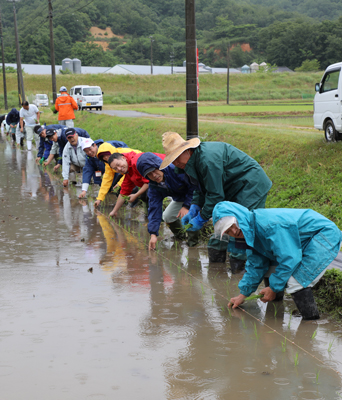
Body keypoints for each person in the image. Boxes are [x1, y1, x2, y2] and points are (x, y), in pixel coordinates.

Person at [159, 132, 272, 269]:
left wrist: (201, 217)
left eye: (177, 157)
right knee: (223, 228)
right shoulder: (190, 162)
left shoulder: (207, 160)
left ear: (187, 150)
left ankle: (244, 270)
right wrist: (195, 205)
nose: (176, 163)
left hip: (250, 184)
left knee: (241, 227)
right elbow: (200, 187)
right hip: (231, 187)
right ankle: (218, 268)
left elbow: (215, 195)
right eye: (172, 160)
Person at [212, 201, 342, 320]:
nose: (234, 231)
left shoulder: (268, 226)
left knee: (296, 281)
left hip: (323, 234)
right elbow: (256, 265)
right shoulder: (251, 231)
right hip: (298, 242)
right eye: (228, 231)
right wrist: (243, 295)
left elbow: (290, 258)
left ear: (239, 218)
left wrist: (273, 288)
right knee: (270, 271)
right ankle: (276, 309)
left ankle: (310, 322)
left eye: (233, 225)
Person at [136, 152, 198, 250]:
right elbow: (154, 208)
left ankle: (193, 244)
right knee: (167, 216)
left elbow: (194, 187)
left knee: (190, 215)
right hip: (181, 199)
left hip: (197, 196)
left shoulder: (175, 170)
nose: (154, 175)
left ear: (159, 166)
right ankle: (182, 237)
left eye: (154, 170)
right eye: (149, 174)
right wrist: (153, 234)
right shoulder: (154, 186)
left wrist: (186, 206)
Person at [107, 151, 165, 217]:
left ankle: (158, 218)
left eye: (118, 164)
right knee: (145, 196)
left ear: (123, 158)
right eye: (115, 168)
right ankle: (151, 217)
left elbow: (148, 182)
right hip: (161, 179)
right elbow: (123, 193)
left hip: (169, 170)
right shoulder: (128, 171)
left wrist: (136, 195)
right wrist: (114, 211)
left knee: (150, 194)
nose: (119, 169)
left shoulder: (136, 162)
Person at [93, 143, 142, 208]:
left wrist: (120, 183)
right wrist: (99, 199)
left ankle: (136, 201)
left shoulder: (122, 155)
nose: (105, 157)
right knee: (118, 186)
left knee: (133, 185)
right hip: (128, 172)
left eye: (106, 155)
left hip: (138, 166)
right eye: (102, 157)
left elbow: (129, 171)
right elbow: (106, 180)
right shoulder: (108, 164)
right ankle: (125, 202)